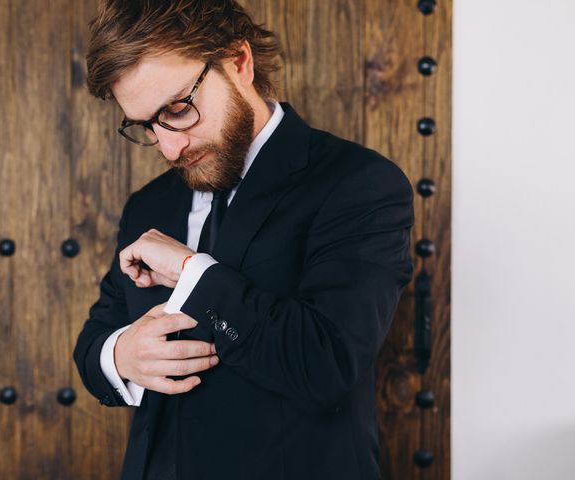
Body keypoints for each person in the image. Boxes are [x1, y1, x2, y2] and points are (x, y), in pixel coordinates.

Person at [73, 1, 415, 479]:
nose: (169, 147)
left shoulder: (360, 184)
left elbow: (326, 364)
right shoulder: (148, 205)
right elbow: (93, 343)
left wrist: (193, 272)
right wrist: (122, 355)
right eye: (147, 125)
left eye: (177, 109)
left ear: (238, 61)